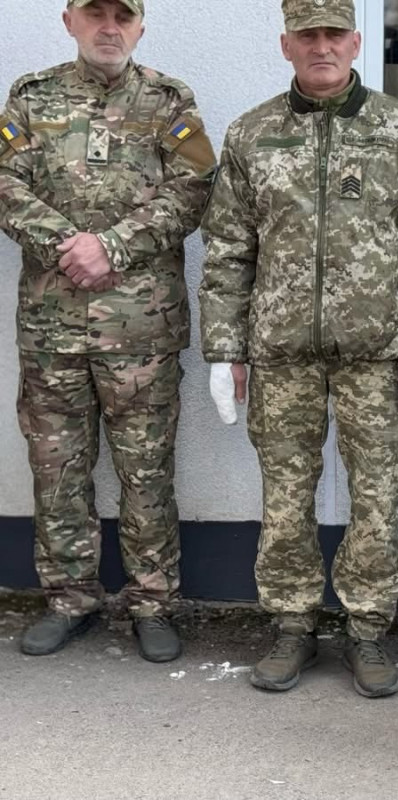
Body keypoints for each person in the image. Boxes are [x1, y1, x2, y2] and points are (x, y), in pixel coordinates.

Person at [199, 0, 398, 697]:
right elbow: (228, 250)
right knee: (285, 499)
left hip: (379, 354)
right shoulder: (252, 134)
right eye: (306, 35)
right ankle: (291, 625)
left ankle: (367, 630)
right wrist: (224, 349)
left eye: (333, 34)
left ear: (355, 42)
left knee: (377, 499)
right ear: (286, 45)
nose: (321, 46)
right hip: (281, 354)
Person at [0, 0, 215, 662]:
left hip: (141, 330)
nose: (109, 27)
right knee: (57, 469)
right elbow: (5, 181)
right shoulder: (31, 97)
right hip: (52, 327)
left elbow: (194, 186)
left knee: (146, 470)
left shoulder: (169, 100)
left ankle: (152, 602)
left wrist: (112, 246)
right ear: (70, 21)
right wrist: (68, 244)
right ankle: (70, 599)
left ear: (140, 26)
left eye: (123, 15)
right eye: (95, 13)